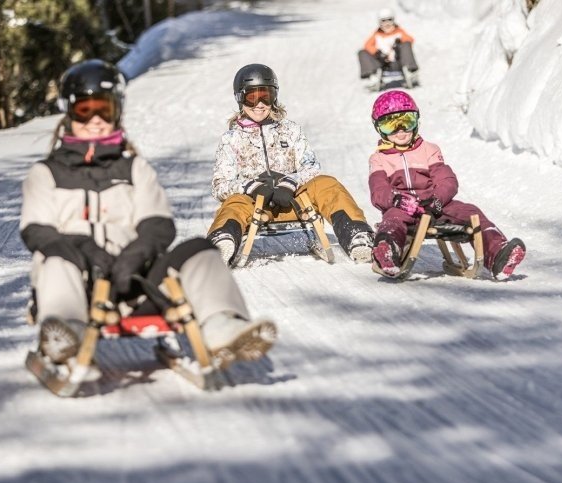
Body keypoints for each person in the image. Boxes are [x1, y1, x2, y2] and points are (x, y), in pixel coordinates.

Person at [20, 59, 276, 376]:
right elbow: (38, 232)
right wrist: (85, 251)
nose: (96, 120)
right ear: (70, 112)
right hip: (76, 286)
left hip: (134, 280)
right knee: (55, 258)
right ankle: (67, 334)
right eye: (86, 110)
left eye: (105, 110)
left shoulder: (134, 169)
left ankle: (222, 326)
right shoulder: (46, 173)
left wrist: (134, 256)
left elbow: (158, 224)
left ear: (117, 112)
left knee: (200, 250)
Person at [207, 63, 374, 265]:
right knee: (233, 202)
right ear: (240, 98)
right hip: (255, 208)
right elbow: (220, 185)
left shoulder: (290, 130)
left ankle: (356, 234)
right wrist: (251, 187)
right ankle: (222, 241)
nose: (260, 104)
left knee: (326, 183)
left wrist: (289, 183)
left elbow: (311, 167)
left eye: (266, 96)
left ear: (274, 96)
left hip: (294, 203)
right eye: (252, 97)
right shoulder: (231, 139)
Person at [367, 90, 526, 280]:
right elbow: (378, 190)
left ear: (416, 121)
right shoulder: (379, 159)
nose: (400, 130)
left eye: (406, 122)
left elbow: (447, 180)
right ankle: (388, 251)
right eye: (390, 125)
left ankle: (498, 253)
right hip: (403, 209)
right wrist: (396, 199)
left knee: (471, 211)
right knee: (392, 220)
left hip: (436, 207)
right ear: (379, 128)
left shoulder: (429, 150)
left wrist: (437, 200)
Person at [357, 8, 419, 89]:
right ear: (380, 23)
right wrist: (378, 53)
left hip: (398, 62)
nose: (387, 23)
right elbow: (367, 45)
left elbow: (410, 39)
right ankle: (373, 77)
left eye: (389, 20)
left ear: (393, 20)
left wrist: (399, 44)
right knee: (362, 52)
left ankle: (410, 71)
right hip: (383, 64)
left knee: (406, 45)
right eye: (383, 21)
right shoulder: (377, 35)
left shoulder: (399, 32)